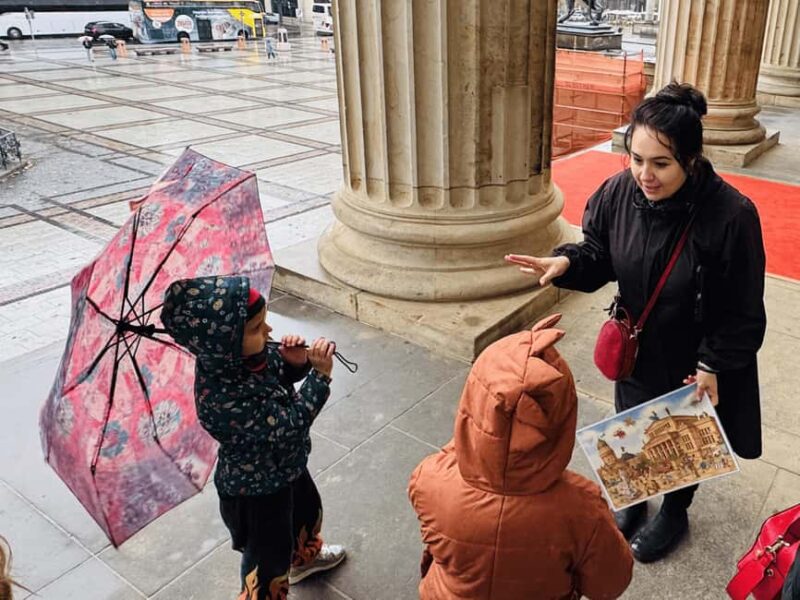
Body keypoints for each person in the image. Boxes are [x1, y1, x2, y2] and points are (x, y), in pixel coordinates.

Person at [506, 82, 767, 563]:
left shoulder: (731, 216)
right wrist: (567, 263)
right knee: (632, 422)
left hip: (694, 355)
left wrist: (713, 363)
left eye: (661, 164)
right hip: (637, 340)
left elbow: (743, 308)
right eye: (637, 159)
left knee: (682, 437)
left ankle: (675, 509)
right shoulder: (618, 192)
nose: (645, 175)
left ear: (691, 159)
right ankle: (634, 494)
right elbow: (600, 254)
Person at [408, 315, 633, 599]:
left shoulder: (429, 477)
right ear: (562, 418)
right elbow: (610, 585)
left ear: (474, 402)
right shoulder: (583, 508)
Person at [160, 276, 346, 600]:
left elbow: (277, 376)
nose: (269, 331)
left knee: (306, 513)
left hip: (286, 466)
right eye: (257, 327)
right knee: (267, 557)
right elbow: (288, 425)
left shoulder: (247, 358)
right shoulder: (221, 398)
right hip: (256, 491)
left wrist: (296, 364)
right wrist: (319, 377)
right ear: (227, 342)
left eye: (265, 321)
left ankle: (305, 558)